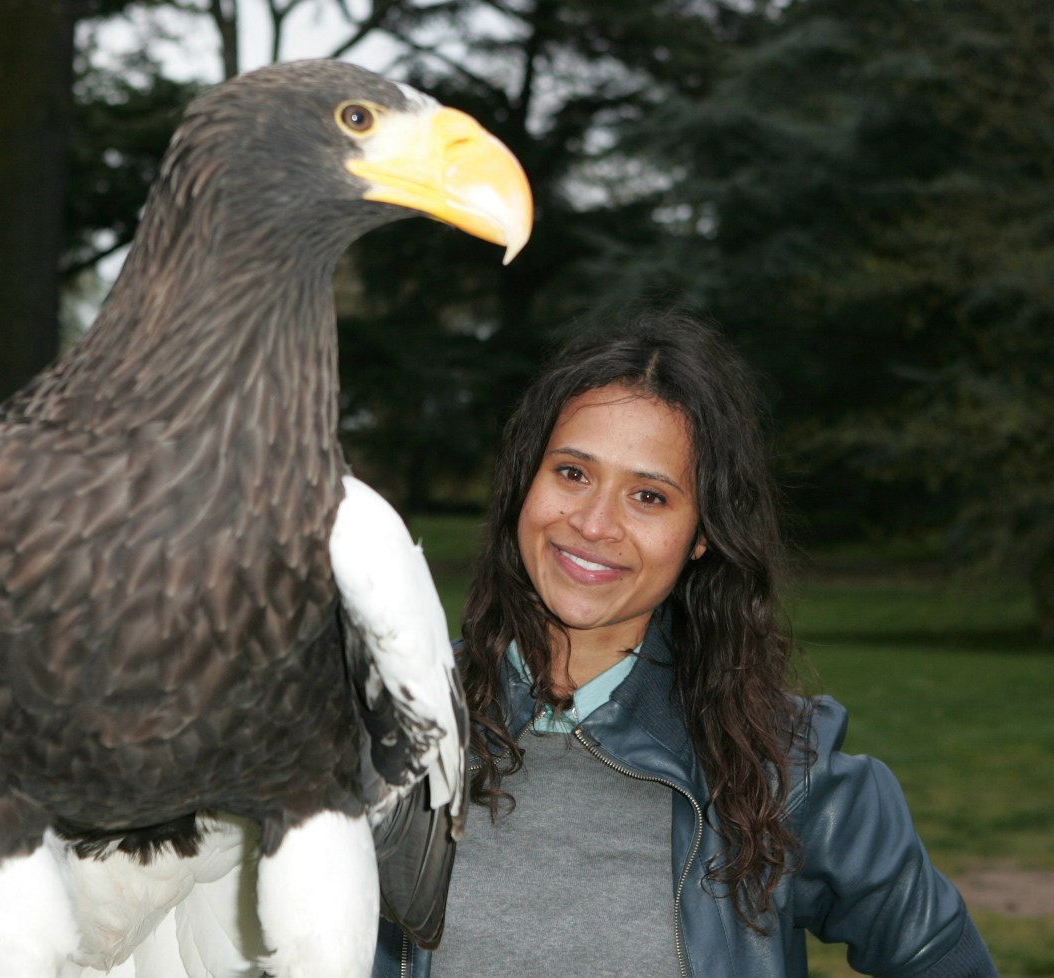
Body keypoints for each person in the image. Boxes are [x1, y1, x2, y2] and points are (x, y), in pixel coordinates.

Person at [371, 312, 997, 977]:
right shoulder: (386, 731)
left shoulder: (786, 772)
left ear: (701, 535)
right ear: (527, 481)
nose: (593, 523)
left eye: (648, 496)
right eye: (573, 474)